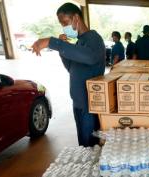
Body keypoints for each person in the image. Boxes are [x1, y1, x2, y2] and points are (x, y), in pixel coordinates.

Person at [31, 2, 105, 147]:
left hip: (88, 104)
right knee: (83, 145)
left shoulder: (93, 39)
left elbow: (90, 58)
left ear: (76, 17)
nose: (64, 27)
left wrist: (53, 42)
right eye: (61, 24)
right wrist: (62, 49)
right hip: (78, 102)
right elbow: (71, 68)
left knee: (89, 147)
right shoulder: (79, 42)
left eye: (65, 22)